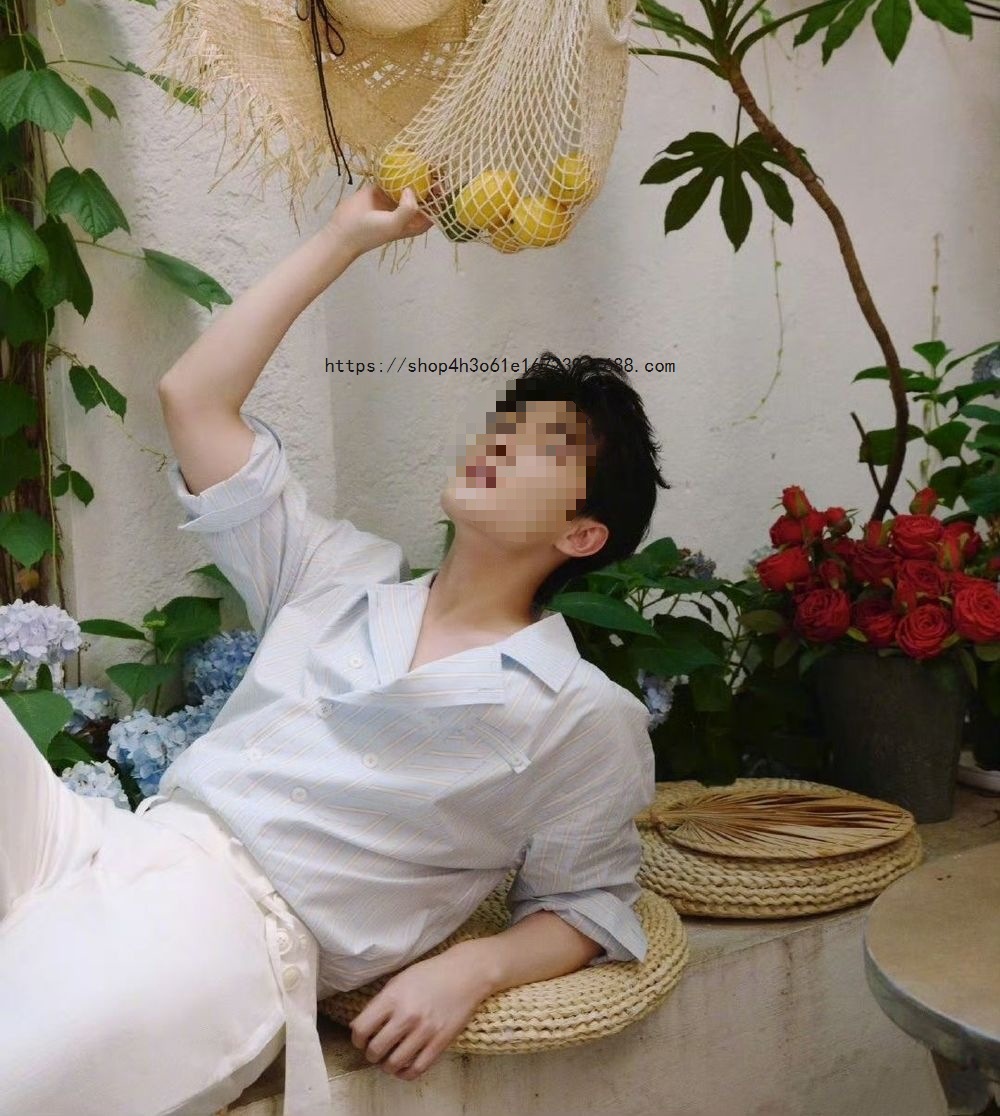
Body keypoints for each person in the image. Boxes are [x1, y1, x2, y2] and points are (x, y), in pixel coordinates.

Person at [0, 183, 665, 1116]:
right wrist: (346, 238)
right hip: (104, 838)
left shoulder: (579, 712)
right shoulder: (337, 572)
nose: (500, 443)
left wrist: (471, 968)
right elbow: (194, 398)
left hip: (228, 933)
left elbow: (589, 902)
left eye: (545, 449)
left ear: (582, 534)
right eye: (504, 427)